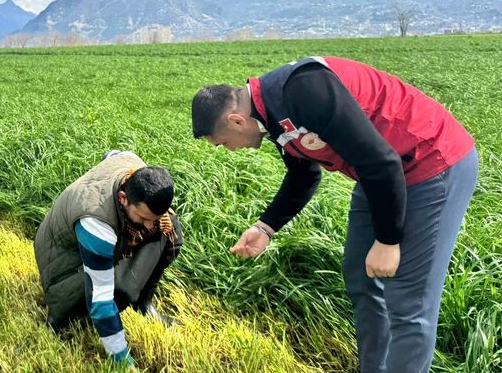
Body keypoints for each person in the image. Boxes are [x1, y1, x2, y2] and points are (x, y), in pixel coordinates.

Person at [191, 56, 478, 373]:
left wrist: (387, 240)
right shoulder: (268, 115)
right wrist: (266, 227)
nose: (229, 150)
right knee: (361, 275)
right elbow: (304, 175)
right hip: (378, 175)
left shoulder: (303, 90)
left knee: (408, 300)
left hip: (432, 161)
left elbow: (382, 162)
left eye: (222, 144)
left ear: (236, 121)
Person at [35, 150, 183, 368]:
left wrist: (152, 220)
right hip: (64, 266)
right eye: (143, 218)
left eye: (153, 218)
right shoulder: (96, 223)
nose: (150, 225)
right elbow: (101, 298)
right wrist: (122, 359)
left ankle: (143, 304)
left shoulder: (133, 167)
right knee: (120, 290)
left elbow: (112, 154)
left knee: (172, 229)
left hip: (96, 237)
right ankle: (61, 318)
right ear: (123, 198)